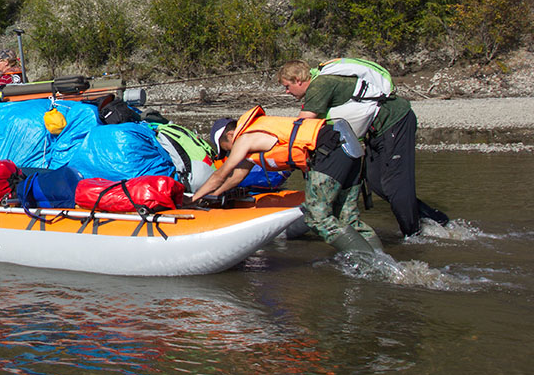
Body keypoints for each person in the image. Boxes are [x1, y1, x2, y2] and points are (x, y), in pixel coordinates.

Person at [278, 59, 449, 237]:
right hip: (376, 131)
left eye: (287, 86)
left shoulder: (320, 85)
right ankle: (436, 219)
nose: (287, 91)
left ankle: (413, 235)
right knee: (375, 182)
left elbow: (303, 125)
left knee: (395, 184)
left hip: (395, 121)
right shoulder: (319, 85)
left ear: (298, 79)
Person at [192, 106, 382, 255]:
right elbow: (237, 176)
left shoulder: (245, 138)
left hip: (330, 150)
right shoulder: (257, 135)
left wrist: (193, 200)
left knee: (317, 217)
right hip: (349, 146)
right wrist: (213, 196)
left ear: (231, 135)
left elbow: (221, 174)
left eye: (226, 149)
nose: (228, 153)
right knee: (348, 218)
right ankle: (383, 260)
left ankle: (369, 264)